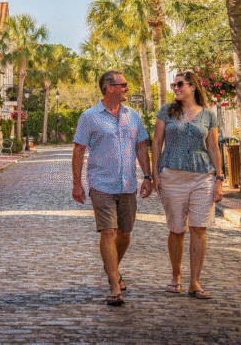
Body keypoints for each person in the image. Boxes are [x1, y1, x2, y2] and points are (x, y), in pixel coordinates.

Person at [72, 70, 153, 307]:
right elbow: (78, 150)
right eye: (123, 85)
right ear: (109, 88)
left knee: (124, 234)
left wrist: (146, 176)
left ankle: (112, 268)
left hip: (128, 184)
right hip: (101, 184)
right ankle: (114, 286)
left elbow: (140, 146)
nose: (127, 88)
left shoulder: (133, 116)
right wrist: (77, 184)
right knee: (108, 231)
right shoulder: (89, 117)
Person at [151, 70, 224, 300]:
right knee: (176, 229)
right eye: (174, 85)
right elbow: (156, 142)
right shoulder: (166, 111)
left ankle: (195, 282)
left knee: (199, 228)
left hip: (202, 176)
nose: (176, 88)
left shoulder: (208, 116)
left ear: (193, 87)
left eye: (180, 84)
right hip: (172, 175)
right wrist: (155, 174)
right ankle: (176, 276)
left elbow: (213, 148)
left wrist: (219, 179)